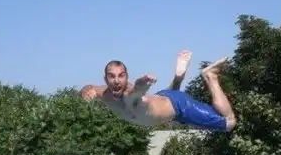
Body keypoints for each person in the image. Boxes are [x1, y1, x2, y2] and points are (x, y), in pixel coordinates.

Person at [80, 50, 237, 132]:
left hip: (180, 106)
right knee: (164, 99)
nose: (116, 81)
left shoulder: (129, 95)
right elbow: (88, 87)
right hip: (162, 98)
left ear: (127, 77)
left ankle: (210, 76)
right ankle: (178, 77)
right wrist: (85, 91)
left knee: (229, 123)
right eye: (112, 76)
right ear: (105, 79)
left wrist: (144, 82)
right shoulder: (104, 93)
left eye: (121, 76)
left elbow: (137, 89)